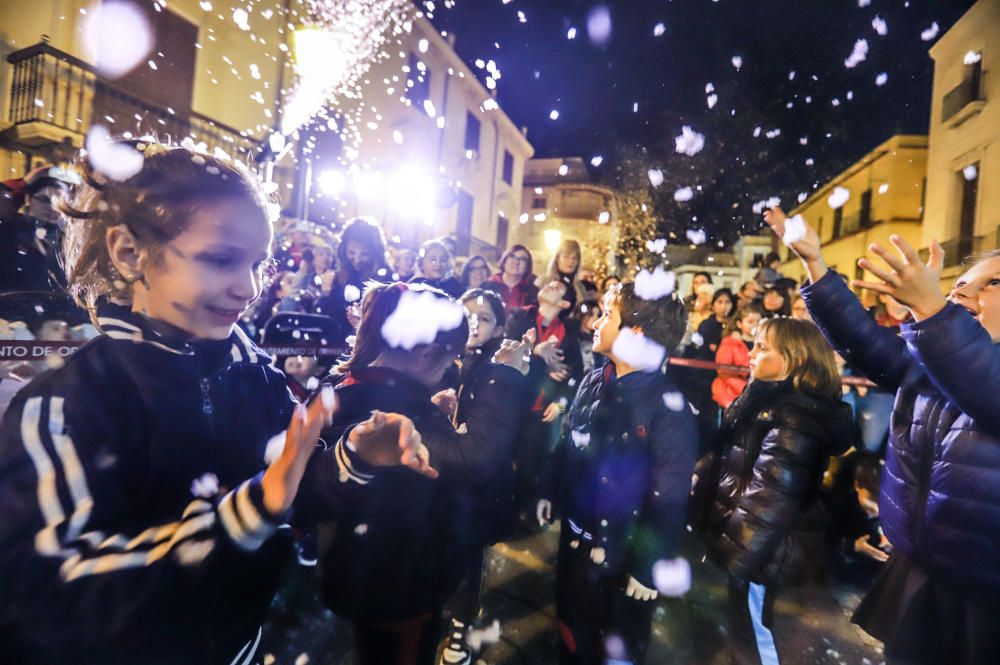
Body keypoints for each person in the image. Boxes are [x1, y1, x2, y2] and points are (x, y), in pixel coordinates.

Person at [0, 141, 433, 665]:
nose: (249, 288)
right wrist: (240, 519)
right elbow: (51, 590)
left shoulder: (252, 374)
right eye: (222, 259)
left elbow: (287, 489)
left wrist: (353, 458)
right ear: (130, 253)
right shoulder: (66, 404)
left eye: (258, 264)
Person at [767, 207, 1000, 665]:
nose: (962, 292)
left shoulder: (964, 363)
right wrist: (816, 265)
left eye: (992, 283)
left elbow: (986, 387)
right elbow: (868, 343)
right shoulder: (936, 364)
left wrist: (932, 311)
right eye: (959, 285)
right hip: (922, 571)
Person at [299, 282, 529, 665]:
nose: (448, 370)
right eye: (448, 360)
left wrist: (428, 405)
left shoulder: (345, 388)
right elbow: (473, 458)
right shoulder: (395, 411)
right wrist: (502, 378)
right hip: (398, 586)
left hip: (355, 569)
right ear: (426, 354)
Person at [537, 282, 698, 665]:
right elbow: (570, 442)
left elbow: (669, 495)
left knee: (615, 645)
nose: (595, 322)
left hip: (620, 558)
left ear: (635, 333)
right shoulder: (596, 379)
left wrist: (647, 565)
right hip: (575, 543)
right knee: (572, 636)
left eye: (608, 315)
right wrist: (549, 489)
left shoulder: (667, 407)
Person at [706, 317, 853, 665]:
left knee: (753, 635)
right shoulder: (766, 400)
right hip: (755, 545)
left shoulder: (794, 419)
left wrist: (741, 561)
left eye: (762, 347)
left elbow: (770, 499)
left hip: (762, 552)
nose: (751, 353)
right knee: (746, 628)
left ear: (795, 359)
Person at [506, 280, 584, 529]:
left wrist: (561, 404)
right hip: (511, 406)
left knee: (532, 462)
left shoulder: (569, 332)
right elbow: (506, 358)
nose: (548, 286)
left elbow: (575, 376)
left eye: (556, 288)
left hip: (542, 412)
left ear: (564, 303)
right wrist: (537, 354)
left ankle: (524, 513)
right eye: (548, 284)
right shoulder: (519, 318)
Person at [314, 217, 391, 343]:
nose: (357, 259)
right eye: (352, 252)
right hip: (335, 346)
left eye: (364, 254)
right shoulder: (339, 274)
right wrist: (325, 292)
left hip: (366, 347)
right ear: (343, 250)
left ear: (375, 252)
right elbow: (327, 317)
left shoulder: (384, 277)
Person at [711, 304, 762, 410]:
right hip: (734, 389)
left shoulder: (764, 343)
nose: (755, 325)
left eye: (759, 322)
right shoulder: (731, 342)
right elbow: (723, 369)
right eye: (750, 322)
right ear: (739, 324)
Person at [483, 245, 539, 314]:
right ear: (504, 261)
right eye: (512, 256)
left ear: (527, 267)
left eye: (522, 259)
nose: (516, 262)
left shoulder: (533, 293)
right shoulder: (487, 286)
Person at [537, 238, 583, 315]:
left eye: (574, 258)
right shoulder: (543, 281)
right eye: (566, 256)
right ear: (558, 258)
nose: (571, 261)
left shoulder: (580, 287)